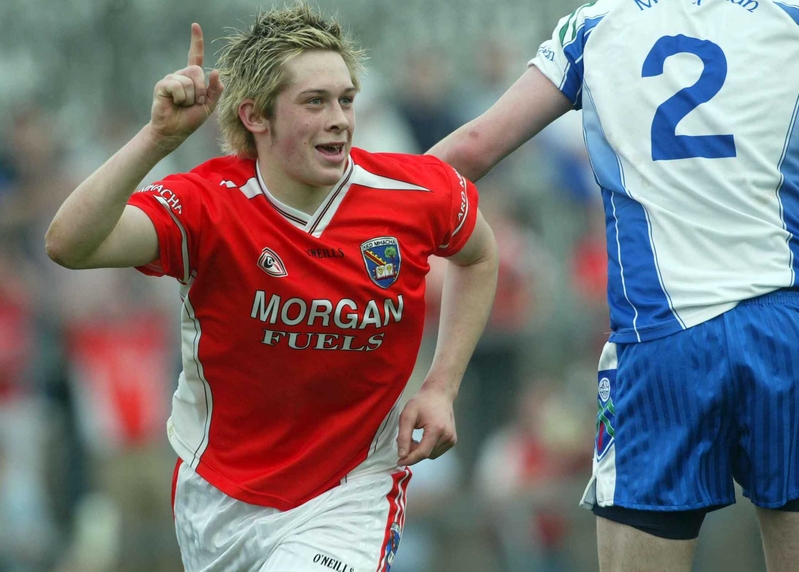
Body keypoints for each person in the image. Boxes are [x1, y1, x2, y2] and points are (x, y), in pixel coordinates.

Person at [45, 4, 498, 571]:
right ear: (256, 116)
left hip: (351, 490)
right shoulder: (205, 205)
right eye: (315, 101)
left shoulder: (413, 192)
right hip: (218, 496)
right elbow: (70, 244)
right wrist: (157, 138)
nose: (339, 119)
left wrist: (442, 385)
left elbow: (478, 255)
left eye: (346, 99)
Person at [428, 1, 799, 571]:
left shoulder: (599, 25)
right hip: (787, 334)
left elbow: (473, 148)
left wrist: (352, 215)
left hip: (661, 344)